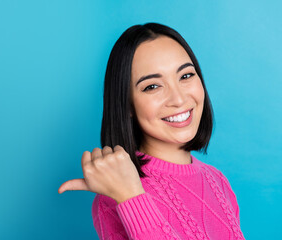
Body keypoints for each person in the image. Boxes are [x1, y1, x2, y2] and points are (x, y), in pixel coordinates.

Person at [58, 23, 245, 240]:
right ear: (126, 104)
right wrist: (131, 198)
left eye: (185, 76)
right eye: (152, 86)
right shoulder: (115, 196)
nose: (179, 99)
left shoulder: (217, 181)